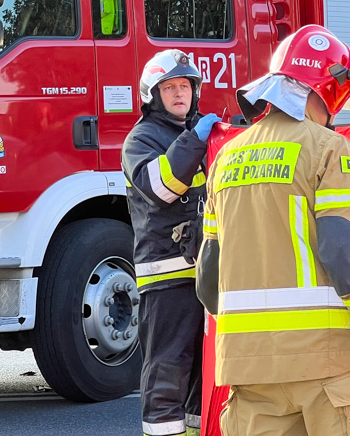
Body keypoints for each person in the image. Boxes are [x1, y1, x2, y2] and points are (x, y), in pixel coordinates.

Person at [196, 25, 350, 436]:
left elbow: (209, 282)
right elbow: (346, 262)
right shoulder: (328, 149)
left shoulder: (225, 159)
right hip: (333, 373)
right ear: (330, 92)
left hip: (249, 375)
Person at [122, 49, 220, 436]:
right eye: (169, 88)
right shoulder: (140, 140)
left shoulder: (199, 133)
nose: (180, 94)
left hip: (203, 273)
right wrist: (195, 141)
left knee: (200, 370)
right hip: (165, 278)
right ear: (152, 94)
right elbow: (161, 187)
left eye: (185, 86)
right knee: (167, 371)